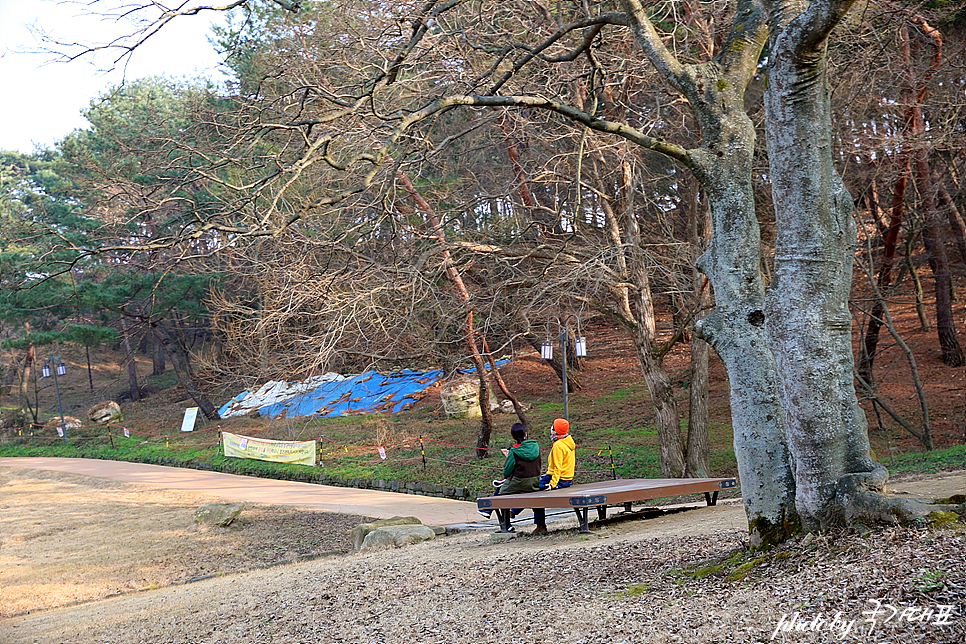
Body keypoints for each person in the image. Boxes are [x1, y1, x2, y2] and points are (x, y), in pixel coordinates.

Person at [478, 423, 544, 531]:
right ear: (525, 435)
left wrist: (509, 457)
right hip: (534, 483)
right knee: (505, 488)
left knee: (501, 492)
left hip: (518, 483)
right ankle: (540, 525)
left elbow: (507, 472)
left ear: (513, 437)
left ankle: (505, 524)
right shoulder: (535, 447)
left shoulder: (513, 452)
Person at [539, 418, 575, 490]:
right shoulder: (568, 441)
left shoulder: (558, 446)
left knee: (533, 485)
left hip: (560, 479)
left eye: (553, 427)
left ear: (555, 431)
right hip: (568, 479)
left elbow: (557, 467)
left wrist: (552, 484)